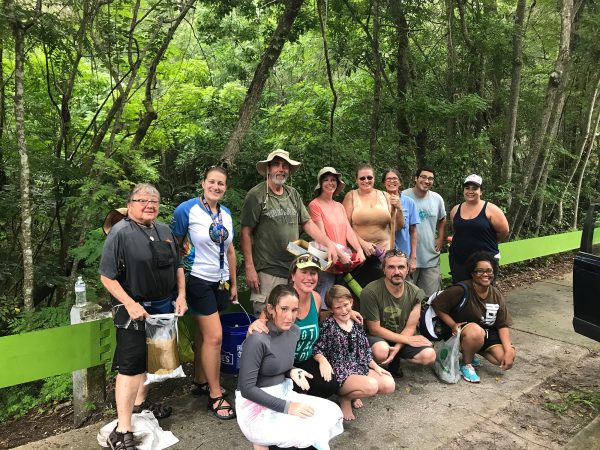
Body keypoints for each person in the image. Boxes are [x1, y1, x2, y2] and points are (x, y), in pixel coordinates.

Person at [99, 183, 187, 450]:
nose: (149, 205)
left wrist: (181, 296)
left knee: (156, 362)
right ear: (130, 204)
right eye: (142, 200)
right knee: (131, 366)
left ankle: (140, 405)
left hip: (164, 309)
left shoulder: (164, 230)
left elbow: (178, 267)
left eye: (154, 201)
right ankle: (123, 427)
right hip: (133, 311)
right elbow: (106, 276)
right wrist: (130, 303)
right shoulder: (120, 232)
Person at [236, 284, 344, 450]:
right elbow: (247, 389)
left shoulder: (294, 332)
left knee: (332, 412)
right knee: (306, 436)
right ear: (271, 309)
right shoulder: (257, 339)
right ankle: (262, 442)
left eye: (294, 310)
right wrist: (288, 407)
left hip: (284, 392)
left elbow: (278, 361)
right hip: (255, 406)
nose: (289, 316)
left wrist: (292, 370)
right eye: (284, 309)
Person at [171, 166, 236, 420]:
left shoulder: (227, 213)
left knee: (204, 334)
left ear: (225, 187)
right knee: (215, 337)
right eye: (212, 182)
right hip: (196, 280)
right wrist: (179, 287)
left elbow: (230, 251)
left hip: (219, 283)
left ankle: (200, 380)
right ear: (203, 183)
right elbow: (173, 248)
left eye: (221, 184)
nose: (216, 187)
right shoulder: (186, 210)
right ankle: (216, 394)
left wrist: (233, 283)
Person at [248, 254, 363, 398]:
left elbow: (321, 318)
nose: (309, 277)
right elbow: (261, 324)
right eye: (304, 272)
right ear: (293, 275)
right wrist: (255, 324)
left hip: (306, 358)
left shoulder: (316, 298)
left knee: (328, 385)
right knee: (296, 390)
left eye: (313, 273)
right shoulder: (282, 297)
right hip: (281, 362)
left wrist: (346, 312)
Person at [241, 149, 338, 316]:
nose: (281, 169)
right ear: (268, 169)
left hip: (294, 272)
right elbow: (245, 232)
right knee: (267, 319)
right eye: (277, 165)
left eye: (285, 166)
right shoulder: (256, 195)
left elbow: (307, 223)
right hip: (268, 271)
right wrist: (249, 267)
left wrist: (329, 244)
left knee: (289, 321)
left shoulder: (292, 194)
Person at [313, 285, 395, 420]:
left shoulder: (356, 323)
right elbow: (317, 348)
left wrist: (376, 367)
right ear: (331, 309)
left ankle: (354, 393)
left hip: (358, 367)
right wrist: (322, 361)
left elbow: (365, 350)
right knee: (371, 386)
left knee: (389, 384)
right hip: (341, 372)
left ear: (351, 302)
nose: (344, 310)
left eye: (346, 305)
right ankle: (345, 398)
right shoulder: (329, 326)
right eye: (338, 308)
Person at [431, 251, 515, 383]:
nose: (485, 274)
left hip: (485, 333)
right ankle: (467, 364)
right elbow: (436, 304)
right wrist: (452, 324)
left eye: (489, 271)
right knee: (475, 332)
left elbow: (502, 324)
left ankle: (471, 349)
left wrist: (509, 349)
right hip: (463, 332)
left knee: (504, 357)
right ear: (472, 273)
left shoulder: (496, 294)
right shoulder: (461, 289)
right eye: (480, 271)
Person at [360, 250, 436, 378]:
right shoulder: (370, 291)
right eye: (391, 267)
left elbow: (410, 327)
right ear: (383, 270)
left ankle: (395, 357)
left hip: (402, 335)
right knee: (381, 351)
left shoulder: (416, 292)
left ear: (407, 269)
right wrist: (408, 340)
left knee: (429, 355)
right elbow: (375, 329)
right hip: (378, 338)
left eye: (401, 267)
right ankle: (371, 366)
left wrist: (398, 348)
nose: (397, 272)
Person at [308, 166, 366, 301]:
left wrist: (359, 250)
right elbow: (321, 237)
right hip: (326, 262)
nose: (330, 183)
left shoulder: (339, 206)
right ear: (320, 184)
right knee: (323, 301)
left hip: (342, 263)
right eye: (326, 180)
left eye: (333, 180)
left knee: (340, 301)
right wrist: (340, 255)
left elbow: (348, 230)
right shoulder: (315, 205)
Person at [448, 174, 510, 284]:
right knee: (461, 292)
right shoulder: (455, 209)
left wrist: (488, 240)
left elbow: (504, 231)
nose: (470, 191)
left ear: (481, 191)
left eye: (475, 188)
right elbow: (456, 230)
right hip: (459, 260)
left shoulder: (491, 209)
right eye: (467, 188)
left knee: (485, 293)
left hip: (485, 262)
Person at [402, 167, 447, 296]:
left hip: (430, 257)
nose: (427, 181)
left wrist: (440, 238)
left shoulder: (437, 199)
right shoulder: (404, 196)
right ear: (416, 178)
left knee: (431, 298)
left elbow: (442, 219)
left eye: (430, 179)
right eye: (423, 177)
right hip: (407, 257)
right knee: (407, 298)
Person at [382, 169, 420, 273]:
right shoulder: (378, 200)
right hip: (382, 254)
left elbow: (413, 231)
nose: (392, 181)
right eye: (388, 179)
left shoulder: (409, 202)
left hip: (403, 254)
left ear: (400, 182)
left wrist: (413, 257)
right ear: (384, 183)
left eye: (395, 178)